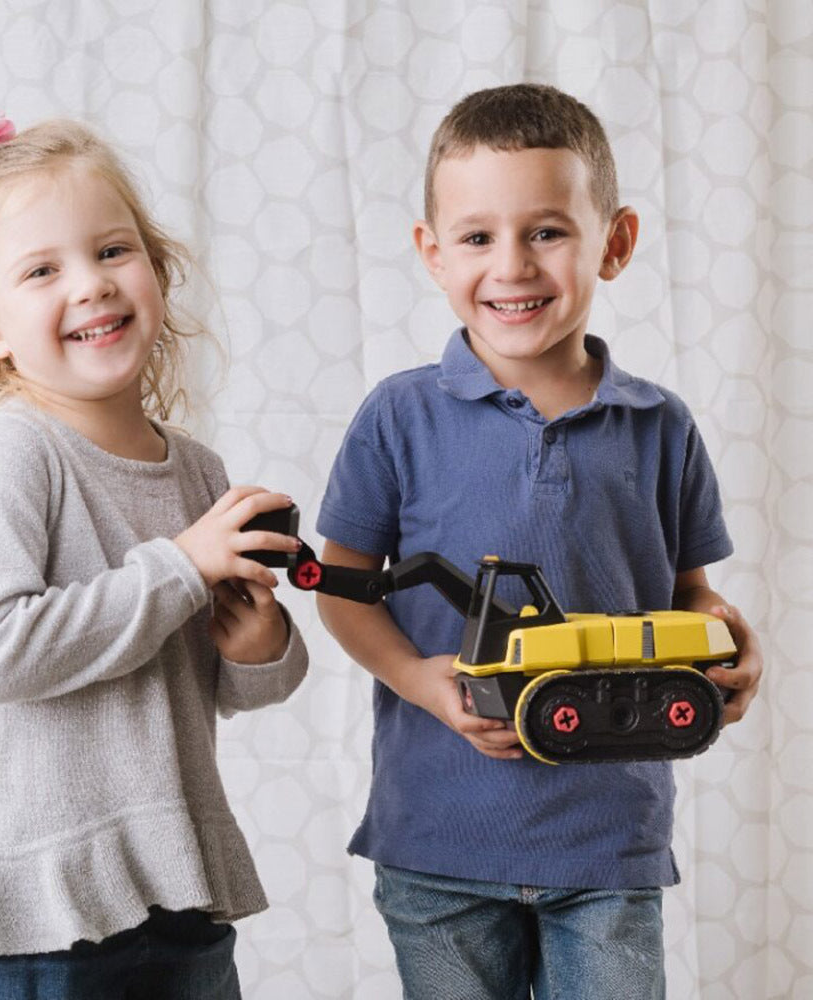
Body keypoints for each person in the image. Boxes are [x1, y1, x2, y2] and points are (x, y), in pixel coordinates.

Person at [315, 84, 762, 1000]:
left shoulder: (659, 426)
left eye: (547, 232)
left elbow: (691, 592)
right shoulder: (398, 418)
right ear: (432, 255)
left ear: (617, 242)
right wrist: (421, 683)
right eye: (478, 238)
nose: (512, 266)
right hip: (439, 838)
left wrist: (726, 637)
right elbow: (340, 588)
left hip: (608, 839)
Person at [0, 118, 308, 1000]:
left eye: (112, 250)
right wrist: (182, 568)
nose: (90, 285)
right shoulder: (11, 450)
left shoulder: (196, 468)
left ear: (156, 271)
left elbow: (217, 686)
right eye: (42, 270)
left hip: (178, 890)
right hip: (44, 915)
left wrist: (258, 644)